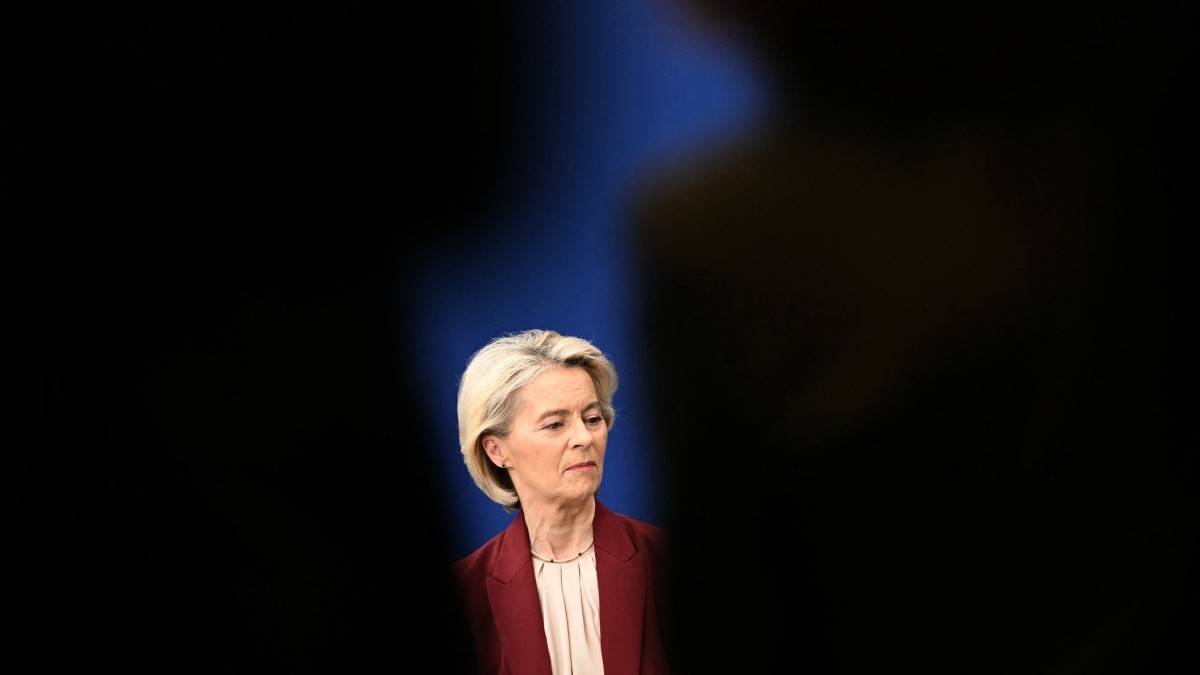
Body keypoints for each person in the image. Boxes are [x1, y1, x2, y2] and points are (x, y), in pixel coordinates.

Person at [452, 329, 672, 674]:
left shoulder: (667, 561)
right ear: (496, 449)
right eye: (555, 424)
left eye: (593, 418)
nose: (584, 438)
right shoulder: (465, 593)